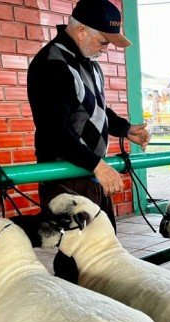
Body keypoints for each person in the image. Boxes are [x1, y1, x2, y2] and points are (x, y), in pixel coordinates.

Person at [27, 0, 150, 282]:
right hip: (66, 174)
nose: (105, 49)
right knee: (74, 253)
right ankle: (77, 316)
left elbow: (96, 110)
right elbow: (54, 130)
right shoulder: (51, 64)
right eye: (103, 41)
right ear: (81, 31)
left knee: (103, 247)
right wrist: (98, 165)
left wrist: (125, 129)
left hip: (90, 172)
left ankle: (103, 311)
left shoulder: (89, 63)